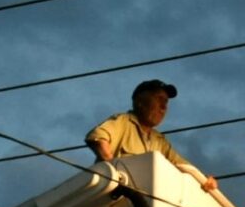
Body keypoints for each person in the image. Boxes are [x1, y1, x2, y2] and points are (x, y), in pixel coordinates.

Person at [85, 79, 217, 191]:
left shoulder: (159, 141)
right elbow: (98, 138)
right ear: (140, 102)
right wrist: (114, 173)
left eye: (166, 102)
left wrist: (205, 180)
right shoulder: (124, 121)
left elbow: (184, 166)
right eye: (159, 99)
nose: (163, 107)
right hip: (114, 204)